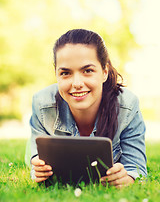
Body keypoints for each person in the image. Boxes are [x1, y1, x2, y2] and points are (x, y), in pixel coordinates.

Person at [28, 29, 147, 188]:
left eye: (88, 71)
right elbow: (36, 160)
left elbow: (136, 168)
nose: (77, 83)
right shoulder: (42, 104)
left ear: (104, 72)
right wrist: (37, 169)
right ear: (56, 75)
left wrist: (127, 178)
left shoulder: (127, 106)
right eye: (65, 73)